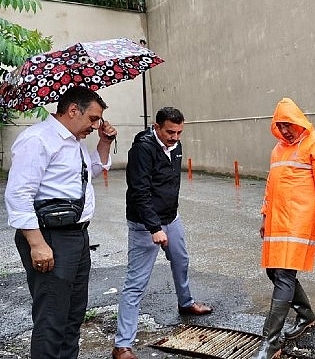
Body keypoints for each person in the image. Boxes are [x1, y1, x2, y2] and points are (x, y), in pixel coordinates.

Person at [5, 86, 117, 359]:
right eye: (93, 118)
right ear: (72, 110)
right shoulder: (37, 140)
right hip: (50, 237)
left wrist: (103, 142)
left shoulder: (73, 142)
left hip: (77, 236)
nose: (96, 125)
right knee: (52, 316)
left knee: (73, 314)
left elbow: (87, 173)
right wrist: (37, 244)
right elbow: (18, 194)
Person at [112, 107, 212, 359]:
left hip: (171, 218)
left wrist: (167, 221)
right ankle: (122, 345)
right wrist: (154, 228)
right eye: (170, 131)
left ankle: (186, 303)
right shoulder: (143, 150)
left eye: (179, 132)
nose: (175, 137)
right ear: (156, 127)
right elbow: (139, 192)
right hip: (145, 224)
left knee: (181, 261)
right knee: (136, 282)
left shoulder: (175, 146)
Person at [253, 98, 315, 359]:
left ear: (299, 121)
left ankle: (271, 340)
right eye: (280, 125)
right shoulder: (278, 150)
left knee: (284, 274)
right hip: (278, 219)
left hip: (299, 220)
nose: (285, 130)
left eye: (289, 124)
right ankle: (306, 315)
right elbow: (271, 185)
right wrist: (265, 216)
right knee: (273, 271)